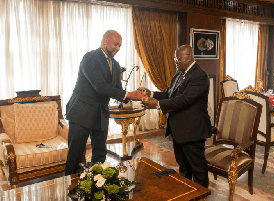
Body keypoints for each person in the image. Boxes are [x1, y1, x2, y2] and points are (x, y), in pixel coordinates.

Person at [65, 30, 147, 175]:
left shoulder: (115, 65)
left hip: (100, 113)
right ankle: (72, 192)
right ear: (105, 40)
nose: (118, 48)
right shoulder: (90, 58)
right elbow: (100, 86)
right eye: (116, 44)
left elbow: (117, 90)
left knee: (100, 155)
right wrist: (128, 94)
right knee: (75, 156)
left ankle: (96, 189)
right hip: (81, 113)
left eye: (120, 45)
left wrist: (135, 95)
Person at [141, 45, 212, 188]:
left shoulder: (200, 75)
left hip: (193, 131)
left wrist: (157, 104)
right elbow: (169, 94)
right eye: (175, 59)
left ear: (189, 57)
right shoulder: (179, 74)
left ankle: (201, 196)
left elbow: (185, 99)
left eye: (178, 59)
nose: (176, 62)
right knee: (183, 167)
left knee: (198, 169)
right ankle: (186, 192)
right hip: (179, 130)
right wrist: (152, 94)